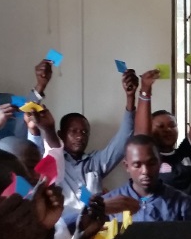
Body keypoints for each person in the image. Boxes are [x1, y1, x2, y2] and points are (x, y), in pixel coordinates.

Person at [35, 70, 139, 226]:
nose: (80, 136)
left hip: (95, 231)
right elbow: (31, 118)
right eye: (73, 132)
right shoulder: (51, 160)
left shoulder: (95, 162)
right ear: (60, 134)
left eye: (84, 132)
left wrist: (130, 98)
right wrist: (40, 86)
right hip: (61, 231)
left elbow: (123, 139)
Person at [86, 135, 191, 239]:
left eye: (151, 163)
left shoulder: (183, 204)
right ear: (126, 166)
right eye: (137, 165)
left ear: (160, 162)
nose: (145, 171)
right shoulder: (108, 205)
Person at [134, 64, 191, 196]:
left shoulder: (186, 152)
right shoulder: (148, 156)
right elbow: (141, 133)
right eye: (161, 126)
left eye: (172, 125)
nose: (168, 130)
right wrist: (145, 90)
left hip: (190, 215)